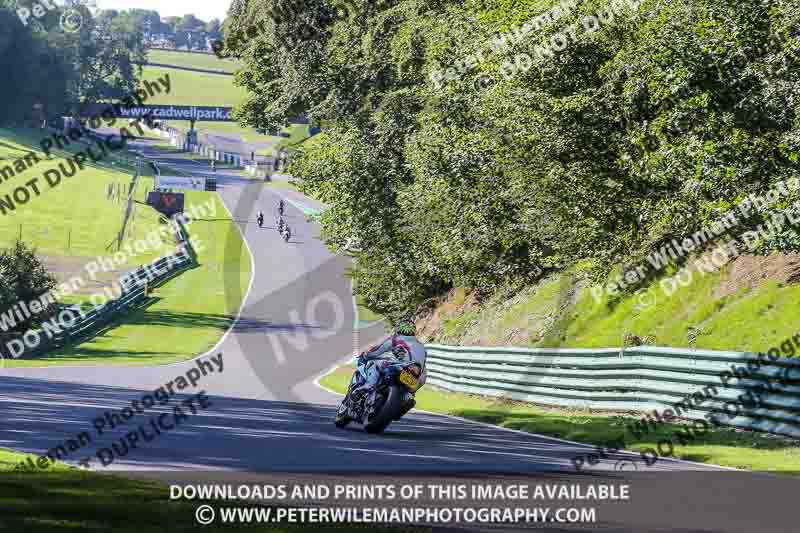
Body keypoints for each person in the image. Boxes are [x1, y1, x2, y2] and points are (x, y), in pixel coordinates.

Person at [352, 321, 426, 398]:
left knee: (376, 363)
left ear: (398, 329)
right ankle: (408, 397)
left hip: (401, 369)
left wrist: (365, 355)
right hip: (416, 377)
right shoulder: (422, 346)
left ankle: (369, 385)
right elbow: (423, 366)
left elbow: (375, 352)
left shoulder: (395, 339)